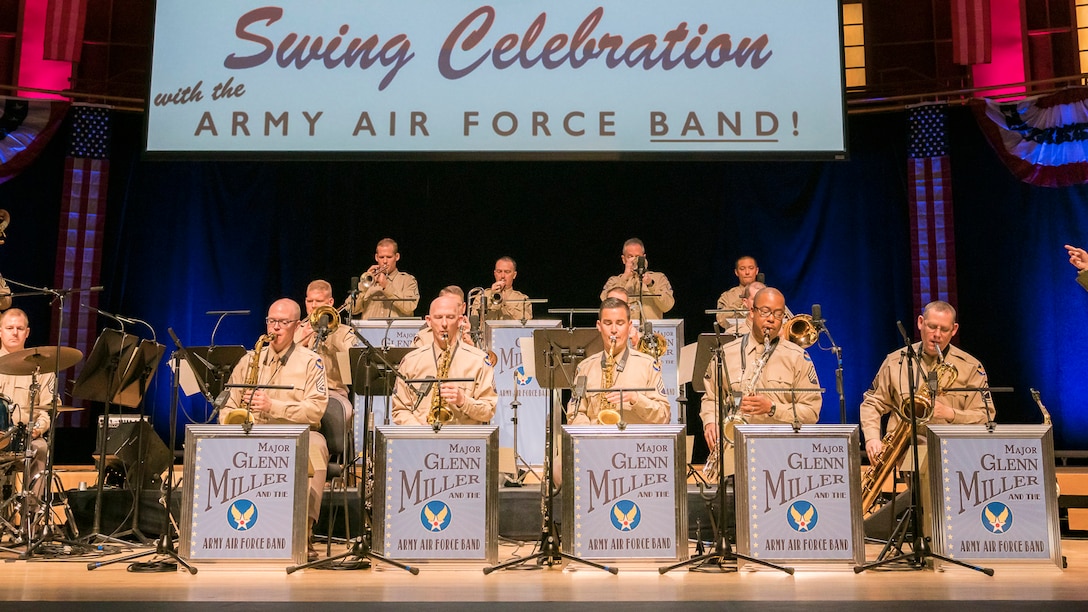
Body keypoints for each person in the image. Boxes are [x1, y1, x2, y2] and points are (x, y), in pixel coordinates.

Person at [220, 298, 328, 561]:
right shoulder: (248, 360)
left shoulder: (312, 362)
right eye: (271, 321)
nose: (275, 328)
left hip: (297, 433)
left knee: (317, 447)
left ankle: (305, 532)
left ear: (297, 325)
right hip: (254, 431)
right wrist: (233, 419)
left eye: (283, 322)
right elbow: (227, 404)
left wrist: (272, 406)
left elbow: (316, 410)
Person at [860, 300, 992, 465]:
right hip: (907, 454)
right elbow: (872, 403)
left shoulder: (971, 367)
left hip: (957, 455)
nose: (937, 334)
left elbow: (985, 416)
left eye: (944, 329)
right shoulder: (895, 362)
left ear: (954, 330)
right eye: (932, 327)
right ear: (920, 322)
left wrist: (950, 413)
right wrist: (872, 439)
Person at [700, 287, 822, 453]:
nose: (771, 319)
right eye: (765, 312)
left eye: (778, 314)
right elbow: (711, 398)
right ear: (752, 312)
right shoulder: (726, 354)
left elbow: (811, 412)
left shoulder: (798, 357)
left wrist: (773, 408)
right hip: (735, 450)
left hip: (784, 452)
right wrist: (710, 422)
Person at [391, 295, 497, 425]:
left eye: (450, 317)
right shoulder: (410, 361)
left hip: (463, 442)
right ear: (429, 321)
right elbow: (400, 410)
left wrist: (463, 401)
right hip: (421, 441)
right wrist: (420, 434)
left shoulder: (479, 360)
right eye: (438, 317)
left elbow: (488, 411)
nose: (444, 324)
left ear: (459, 321)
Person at [567, 297, 670, 425]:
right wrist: (590, 433)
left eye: (620, 323)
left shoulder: (647, 365)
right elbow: (574, 414)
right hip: (596, 442)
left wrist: (636, 398)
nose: (614, 330)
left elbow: (664, 416)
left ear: (629, 325)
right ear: (599, 326)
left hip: (636, 443)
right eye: (608, 323)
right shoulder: (585, 367)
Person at [0, 308, 55, 492]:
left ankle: (32, 514)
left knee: (41, 448)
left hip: (24, 438)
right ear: (0, 331)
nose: (14, 332)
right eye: (9, 328)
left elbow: (49, 408)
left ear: (27, 332)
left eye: (19, 328)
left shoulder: (42, 368)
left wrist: (39, 428)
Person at [295, 279, 354, 432]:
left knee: (344, 413)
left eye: (319, 301)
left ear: (330, 302)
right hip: (298, 392)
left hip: (333, 393)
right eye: (309, 301)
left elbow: (349, 368)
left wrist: (331, 336)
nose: (313, 306)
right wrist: (302, 341)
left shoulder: (344, 332)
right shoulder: (296, 330)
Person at [600, 238, 675, 321]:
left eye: (637, 257)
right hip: (625, 331)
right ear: (623, 259)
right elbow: (606, 304)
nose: (634, 260)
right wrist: (624, 278)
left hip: (652, 330)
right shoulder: (614, 281)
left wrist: (650, 284)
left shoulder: (659, 278)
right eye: (630, 256)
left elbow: (667, 306)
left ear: (644, 257)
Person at [349, 238, 420, 319]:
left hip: (397, 331)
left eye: (389, 257)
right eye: (381, 257)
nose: (385, 261)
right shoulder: (368, 281)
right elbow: (351, 309)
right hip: (370, 331)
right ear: (376, 257)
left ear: (397, 257)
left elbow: (410, 307)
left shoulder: (408, 280)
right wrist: (364, 287)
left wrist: (386, 286)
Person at [469, 256, 533, 322]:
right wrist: (490, 297)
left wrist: (506, 303)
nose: (502, 276)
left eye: (507, 272)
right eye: (499, 271)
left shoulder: (522, 299)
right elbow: (474, 318)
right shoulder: (482, 294)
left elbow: (527, 321)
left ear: (514, 275)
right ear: (495, 273)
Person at [716, 256, 760, 325]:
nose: (747, 272)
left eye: (751, 268)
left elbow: (782, 315)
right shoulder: (727, 296)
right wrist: (739, 302)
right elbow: (721, 321)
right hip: (736, 334)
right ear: (736, 272)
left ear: (757, 271)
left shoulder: (769, 294)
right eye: (742, 269)